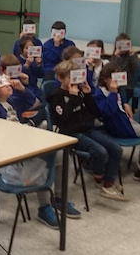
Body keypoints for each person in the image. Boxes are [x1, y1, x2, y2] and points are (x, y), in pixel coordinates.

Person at [0, 75, 65, 227]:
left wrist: (22, 89)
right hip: (6, 150)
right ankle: (45, 207)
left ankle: (59, 198)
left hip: (22, 141)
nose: (8, 84)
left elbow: (36, 104)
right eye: (3, 84)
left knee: (60, 154)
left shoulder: (12, 101)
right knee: (45, 160)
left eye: (8, 82)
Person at [48, 60, 125, 201]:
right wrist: (71, 97)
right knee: (100, 152)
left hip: (87, 129)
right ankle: (98, 176)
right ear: (60, 78)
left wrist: (88, 95)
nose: (74, 81)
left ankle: (108, 183)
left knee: (116, 149)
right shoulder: (56, 96)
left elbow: (96, 113)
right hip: (70, 133)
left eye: (76, 77)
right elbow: (63, 119)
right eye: (70, 77)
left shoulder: (81, 92)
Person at [94, 64, 140, 182]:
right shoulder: (100, 94)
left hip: (125, 121)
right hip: (119, 126)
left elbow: (120, 102)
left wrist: (124, 103)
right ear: (105, 79)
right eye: (114, 77)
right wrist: (113, 92)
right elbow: (108, 113)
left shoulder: (116, 90)